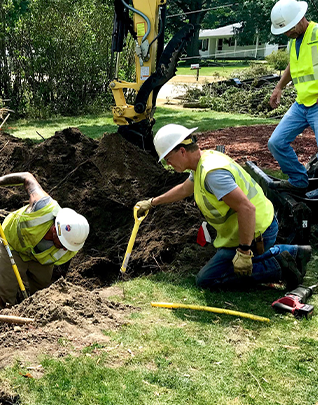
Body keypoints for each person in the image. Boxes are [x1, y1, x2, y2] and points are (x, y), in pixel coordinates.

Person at [136, 124, 312, 290]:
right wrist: (152, 202)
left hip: (256, 232)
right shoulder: (202, 163)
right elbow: (184, 189)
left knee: (207, 279)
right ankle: (294, 252)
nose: (168, 164)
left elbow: (246, 209)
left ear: (182, 151)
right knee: (218, 269)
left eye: (168, 159)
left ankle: (280, 265)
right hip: (252, 227)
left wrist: (243, 251)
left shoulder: (213, 174)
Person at [0, 172, 89, 307]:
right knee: (6, 294)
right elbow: (27, 177)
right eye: (63, 243)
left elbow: (60, 275)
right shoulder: (42, 206)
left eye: (68, 247)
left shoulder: (73, 243)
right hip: (12, 244)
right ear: (55, 229)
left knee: (42, 296)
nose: (65, 249)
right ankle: (5, 322)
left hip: (41, 260)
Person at [268, 0, 317, 191]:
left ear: (300, 19)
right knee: (276, 142)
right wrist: (279, 87)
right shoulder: (293, 42)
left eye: (288, 28)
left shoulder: (317, 33)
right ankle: (298, 180)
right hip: (301, 104)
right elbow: (293, 66)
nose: (287, 33)